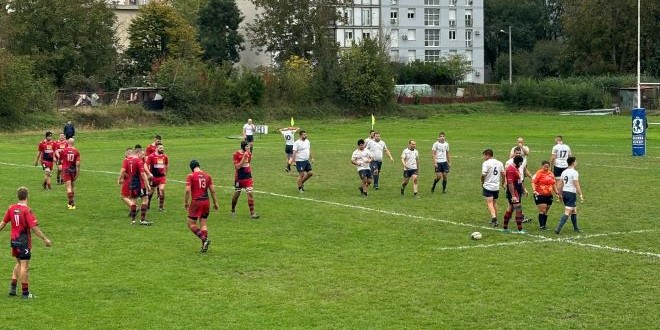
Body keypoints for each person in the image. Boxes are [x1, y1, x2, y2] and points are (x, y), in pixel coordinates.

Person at [1, 187, 52, 299]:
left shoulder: (11, 208)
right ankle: (25, 293)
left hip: (14, 241)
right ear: (27, 196)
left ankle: (13, 289)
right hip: (23, 242)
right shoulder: (27, 210)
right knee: (25, 267)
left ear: (18, 196)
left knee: (19, 263)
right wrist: (45, 239)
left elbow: (3, 223)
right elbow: (34, 228)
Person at [184, 160, 219, 253]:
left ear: (191, 168)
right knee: (203, 223)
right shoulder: (208, 175)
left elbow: (187, 191)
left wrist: (186, 202)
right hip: (206, 202)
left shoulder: (191, 176)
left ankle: (204, 240)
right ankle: (204, 247)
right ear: (199, 166)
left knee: (191, 224)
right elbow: (213, 190)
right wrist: (215, 203)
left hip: (196, 202)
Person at [118, 148, 152, 225]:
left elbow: (123, 170)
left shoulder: (127, 160)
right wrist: (147, 185)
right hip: (140, 184)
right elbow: (143, 174)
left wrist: (119, 178)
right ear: (138, 153)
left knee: (133, 201)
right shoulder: (138, 161)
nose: (143, 156)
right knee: (145, 199)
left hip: (132, 184)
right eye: (142, 154)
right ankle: (142, 220)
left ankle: (133, 221)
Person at [555, 156, 584, 234]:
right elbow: (576, 184)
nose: (576, 162)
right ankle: (558, 228)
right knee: (567, 212)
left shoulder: (564, 172)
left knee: (574, 210)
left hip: (565, 193)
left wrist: (559, 194)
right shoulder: (574, 172)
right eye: (576, 161)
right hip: (571, 194)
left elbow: (560, 184)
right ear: (573, 162)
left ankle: (576, 228)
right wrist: (580, 194)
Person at [231, 141, 260, 218]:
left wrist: (247, 156)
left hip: (248, 177)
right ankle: (233, 209)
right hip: (239, 177)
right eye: (247, 146)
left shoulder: (249, 153)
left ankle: (252, 214)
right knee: (237, 194)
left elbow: (248, 163)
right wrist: (244, 157)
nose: (249, 148)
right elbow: (237, 167)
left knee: (250, 193)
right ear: (243, 147)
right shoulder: (236, 154)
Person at [505, 147, 532, 222]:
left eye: (519, 153)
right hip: (512, 184)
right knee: (514, 204)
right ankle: (519, 218)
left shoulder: (521, 161)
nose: (518, 154)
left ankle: (510, 218)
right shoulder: (509, 162)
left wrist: (531, 177)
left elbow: (524, 170)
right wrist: (505, 182)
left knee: (514, 204)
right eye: (517, 153)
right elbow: (505, 173)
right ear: (514, 153)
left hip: (520, 183)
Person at [531, 160, 559, 230]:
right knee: (543, 210)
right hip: (540, 194)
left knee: (546, 211)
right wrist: (534, 190)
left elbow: (553, 183)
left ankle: (544, 225)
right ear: (542, 166)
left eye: (548, 167)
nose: (546, 168)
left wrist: (557, 192)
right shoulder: (539, 173)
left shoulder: (551, 174)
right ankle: (541, 226)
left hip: (549, 195)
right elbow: (533, 182)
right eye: (545, 167)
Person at [502, 155, 527, 233]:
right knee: (518, 208)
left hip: (517, 191)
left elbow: (519, 180)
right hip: (513, 192)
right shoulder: (511, 170)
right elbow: (510, 184)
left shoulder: (515, 168)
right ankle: (520, 229)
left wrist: (523, 190)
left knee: (511, 208)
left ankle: (505, 228)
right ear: (519, 162)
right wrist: (513, 196)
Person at [481, 149, 505, 227]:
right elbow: (503, 174)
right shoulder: (499, 163)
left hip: (488, 186)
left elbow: (483, 174)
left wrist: (482, 182)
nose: (484, 157)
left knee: (490, 203)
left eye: (484, 155)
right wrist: (503, 183)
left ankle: (494, 218)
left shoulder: (486, 163)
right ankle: (495, 219)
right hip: (496, 187)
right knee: (494, 202)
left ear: (487, 155)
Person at [146, 142, 168, 211]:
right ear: (156, 149)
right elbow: (145, 165)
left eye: (162, 148)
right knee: (151, 191)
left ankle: (161, 207)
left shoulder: (165, 156)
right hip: (154, 177)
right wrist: (149, 173)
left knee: (161, 189)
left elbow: (167, 164)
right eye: (160, 148)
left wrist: (165, 172)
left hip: (161, 177)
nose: (162, 149)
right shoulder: (151, 156)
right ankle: (148, 203)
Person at [60, 138, 80, 210]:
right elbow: (78, 164)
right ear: (73, 143)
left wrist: (60, 163)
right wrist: (77, 174)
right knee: (72, 187)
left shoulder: (64, 150)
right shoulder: (76, 151)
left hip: (66, 170)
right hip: (73, 170)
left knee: (68, 187)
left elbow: (60, 160)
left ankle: (72, 203)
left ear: (67, 143)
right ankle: (69, 203)